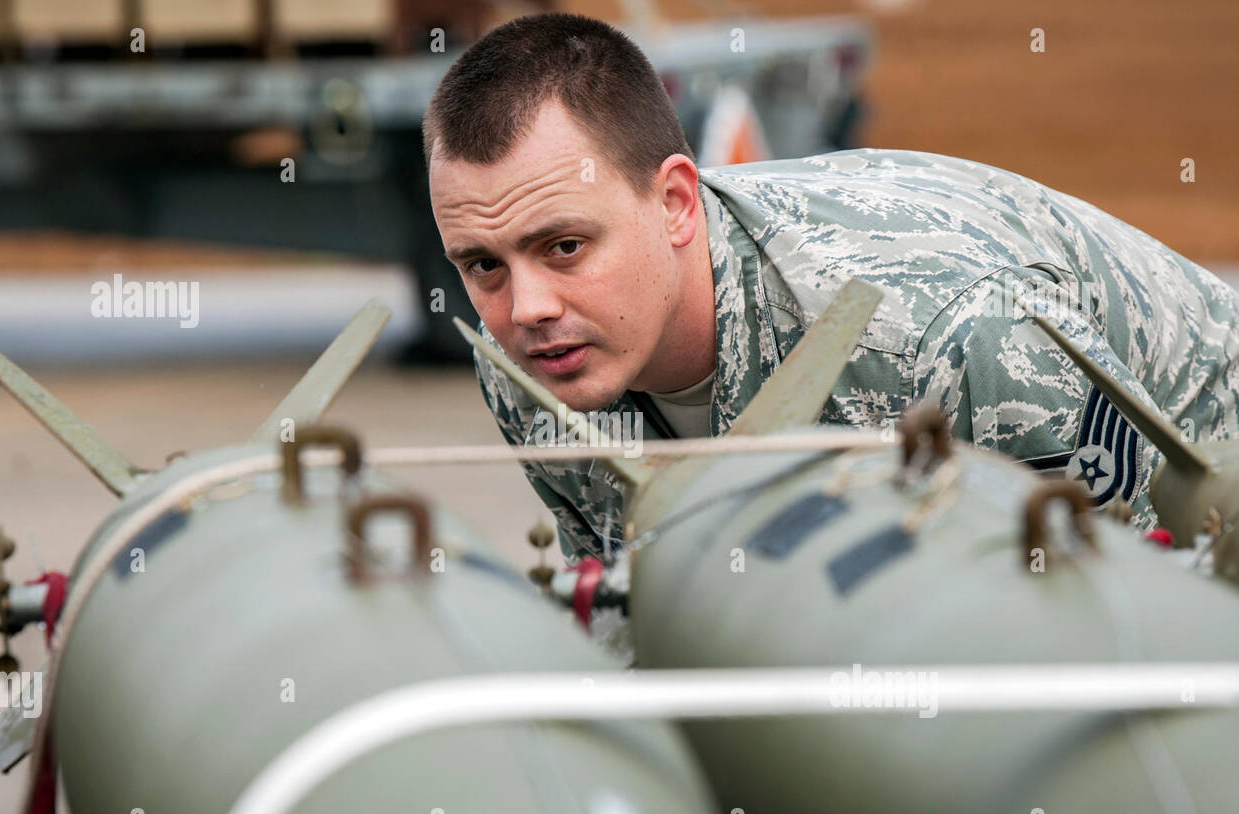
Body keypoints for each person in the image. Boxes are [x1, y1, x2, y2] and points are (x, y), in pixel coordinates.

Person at [424, 13, 1239, 564]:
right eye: (481, 265)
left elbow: (1137, 607)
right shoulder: (529, 367)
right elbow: (631, 615)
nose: (524, 309)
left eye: (563, 246)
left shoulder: (949, 333)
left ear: (674, 203)